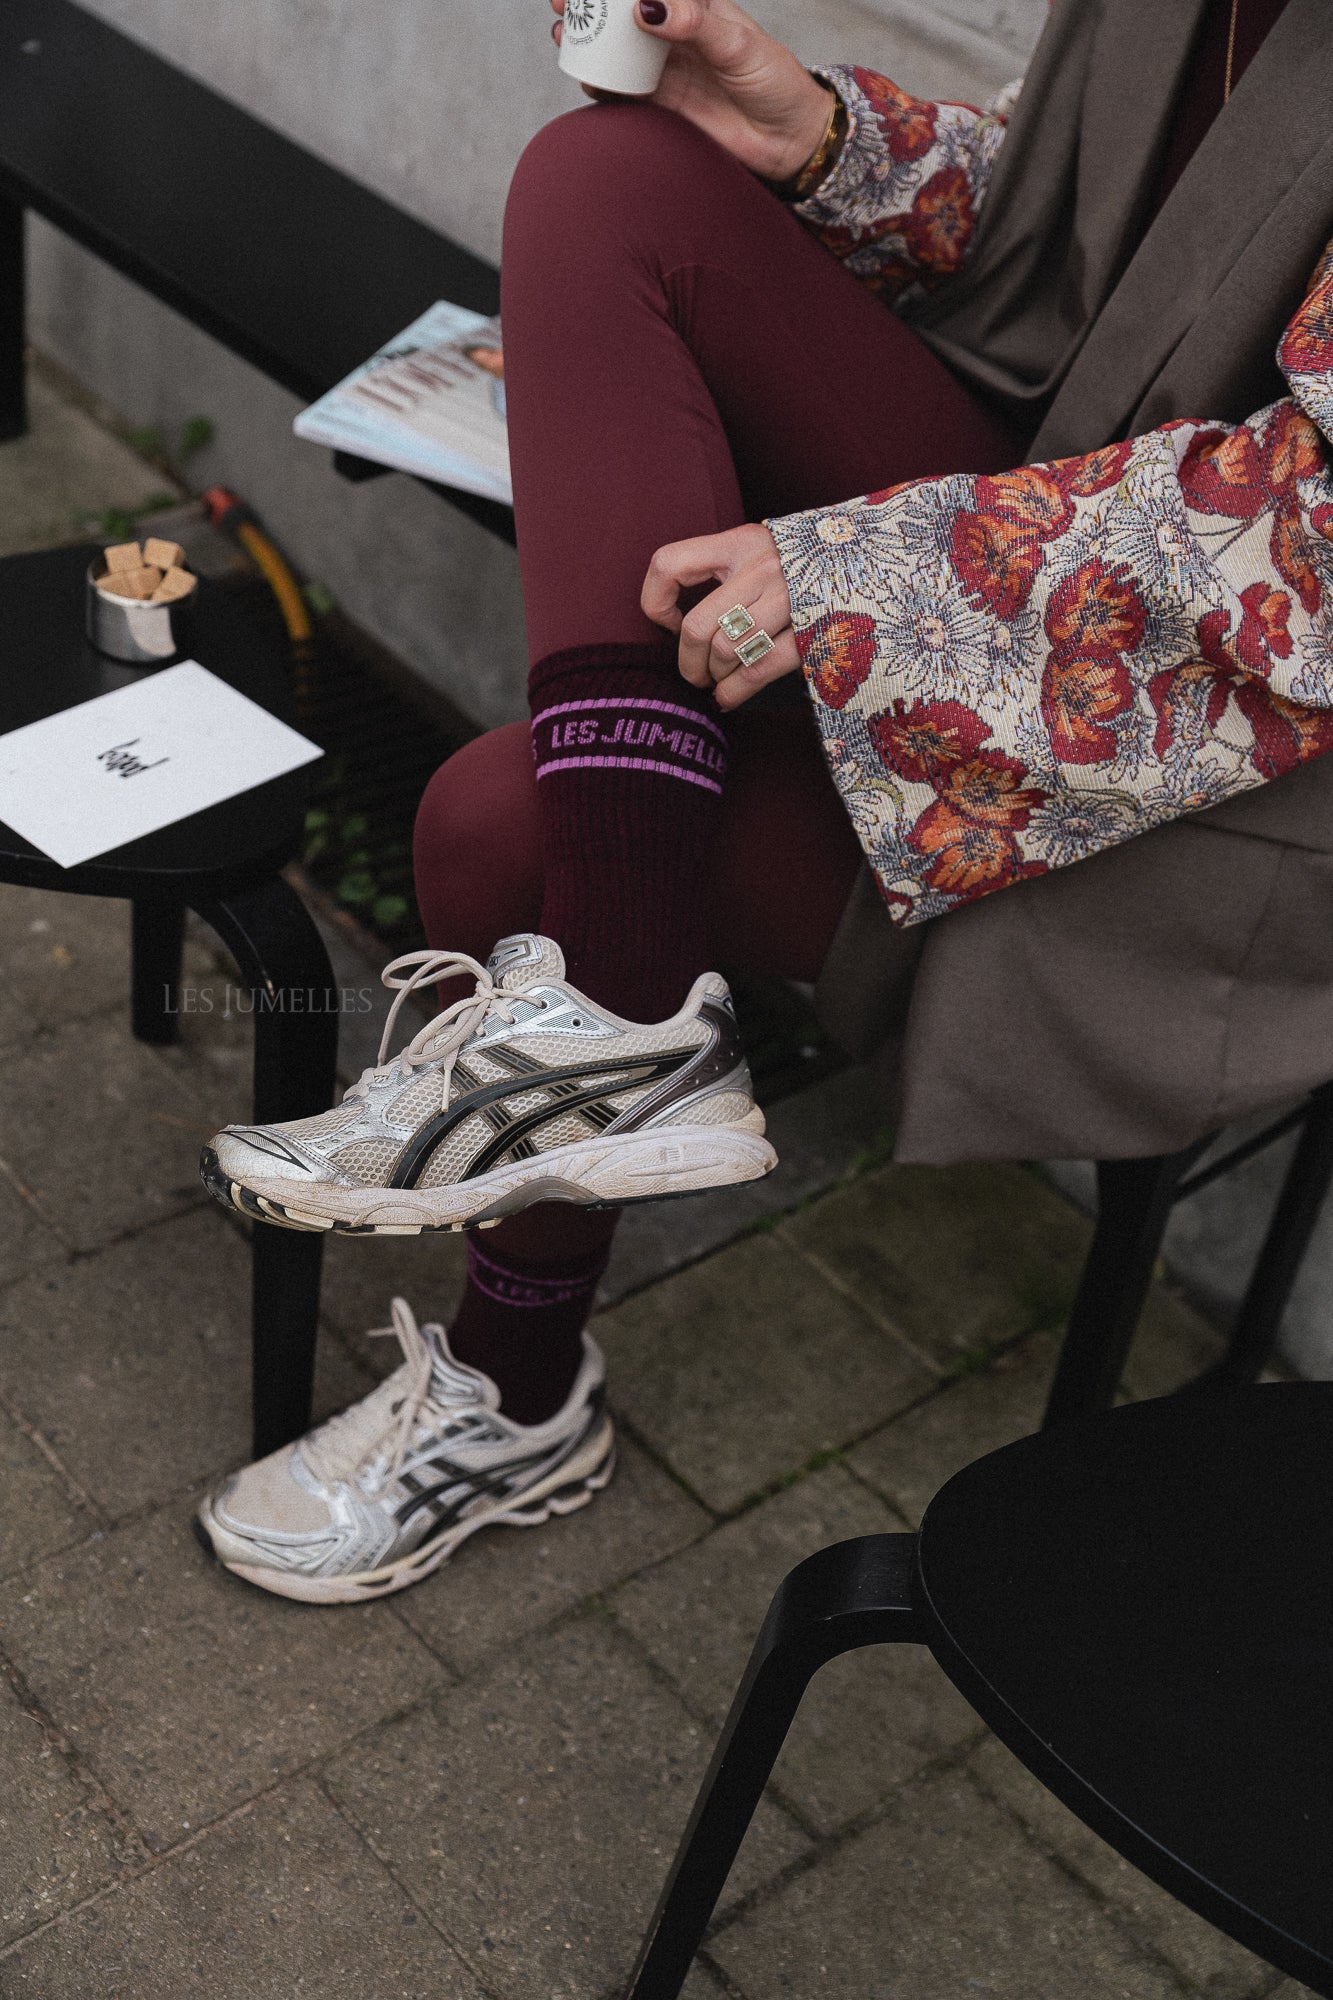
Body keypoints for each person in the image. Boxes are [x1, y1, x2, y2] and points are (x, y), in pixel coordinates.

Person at [195, 0, 1333, 1603]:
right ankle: (612, 1022)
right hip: (1058, 531)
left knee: (494, 831)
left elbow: (1314, 554)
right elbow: (1103, 218)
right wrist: (820, 136)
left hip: (1223, 773)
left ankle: (520, 1367)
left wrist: (855, 579)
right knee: (610, 177)